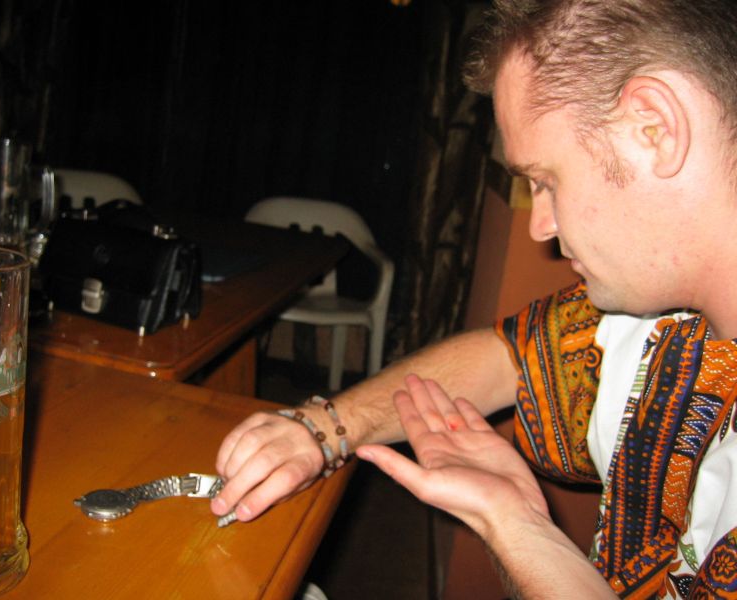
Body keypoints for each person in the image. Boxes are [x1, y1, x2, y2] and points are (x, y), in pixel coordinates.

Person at [213, 0, 737, 597]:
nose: (539, 226)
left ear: (654, 128)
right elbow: (510, 357)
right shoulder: (661, 320)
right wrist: (325, 429)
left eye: (545, 180)